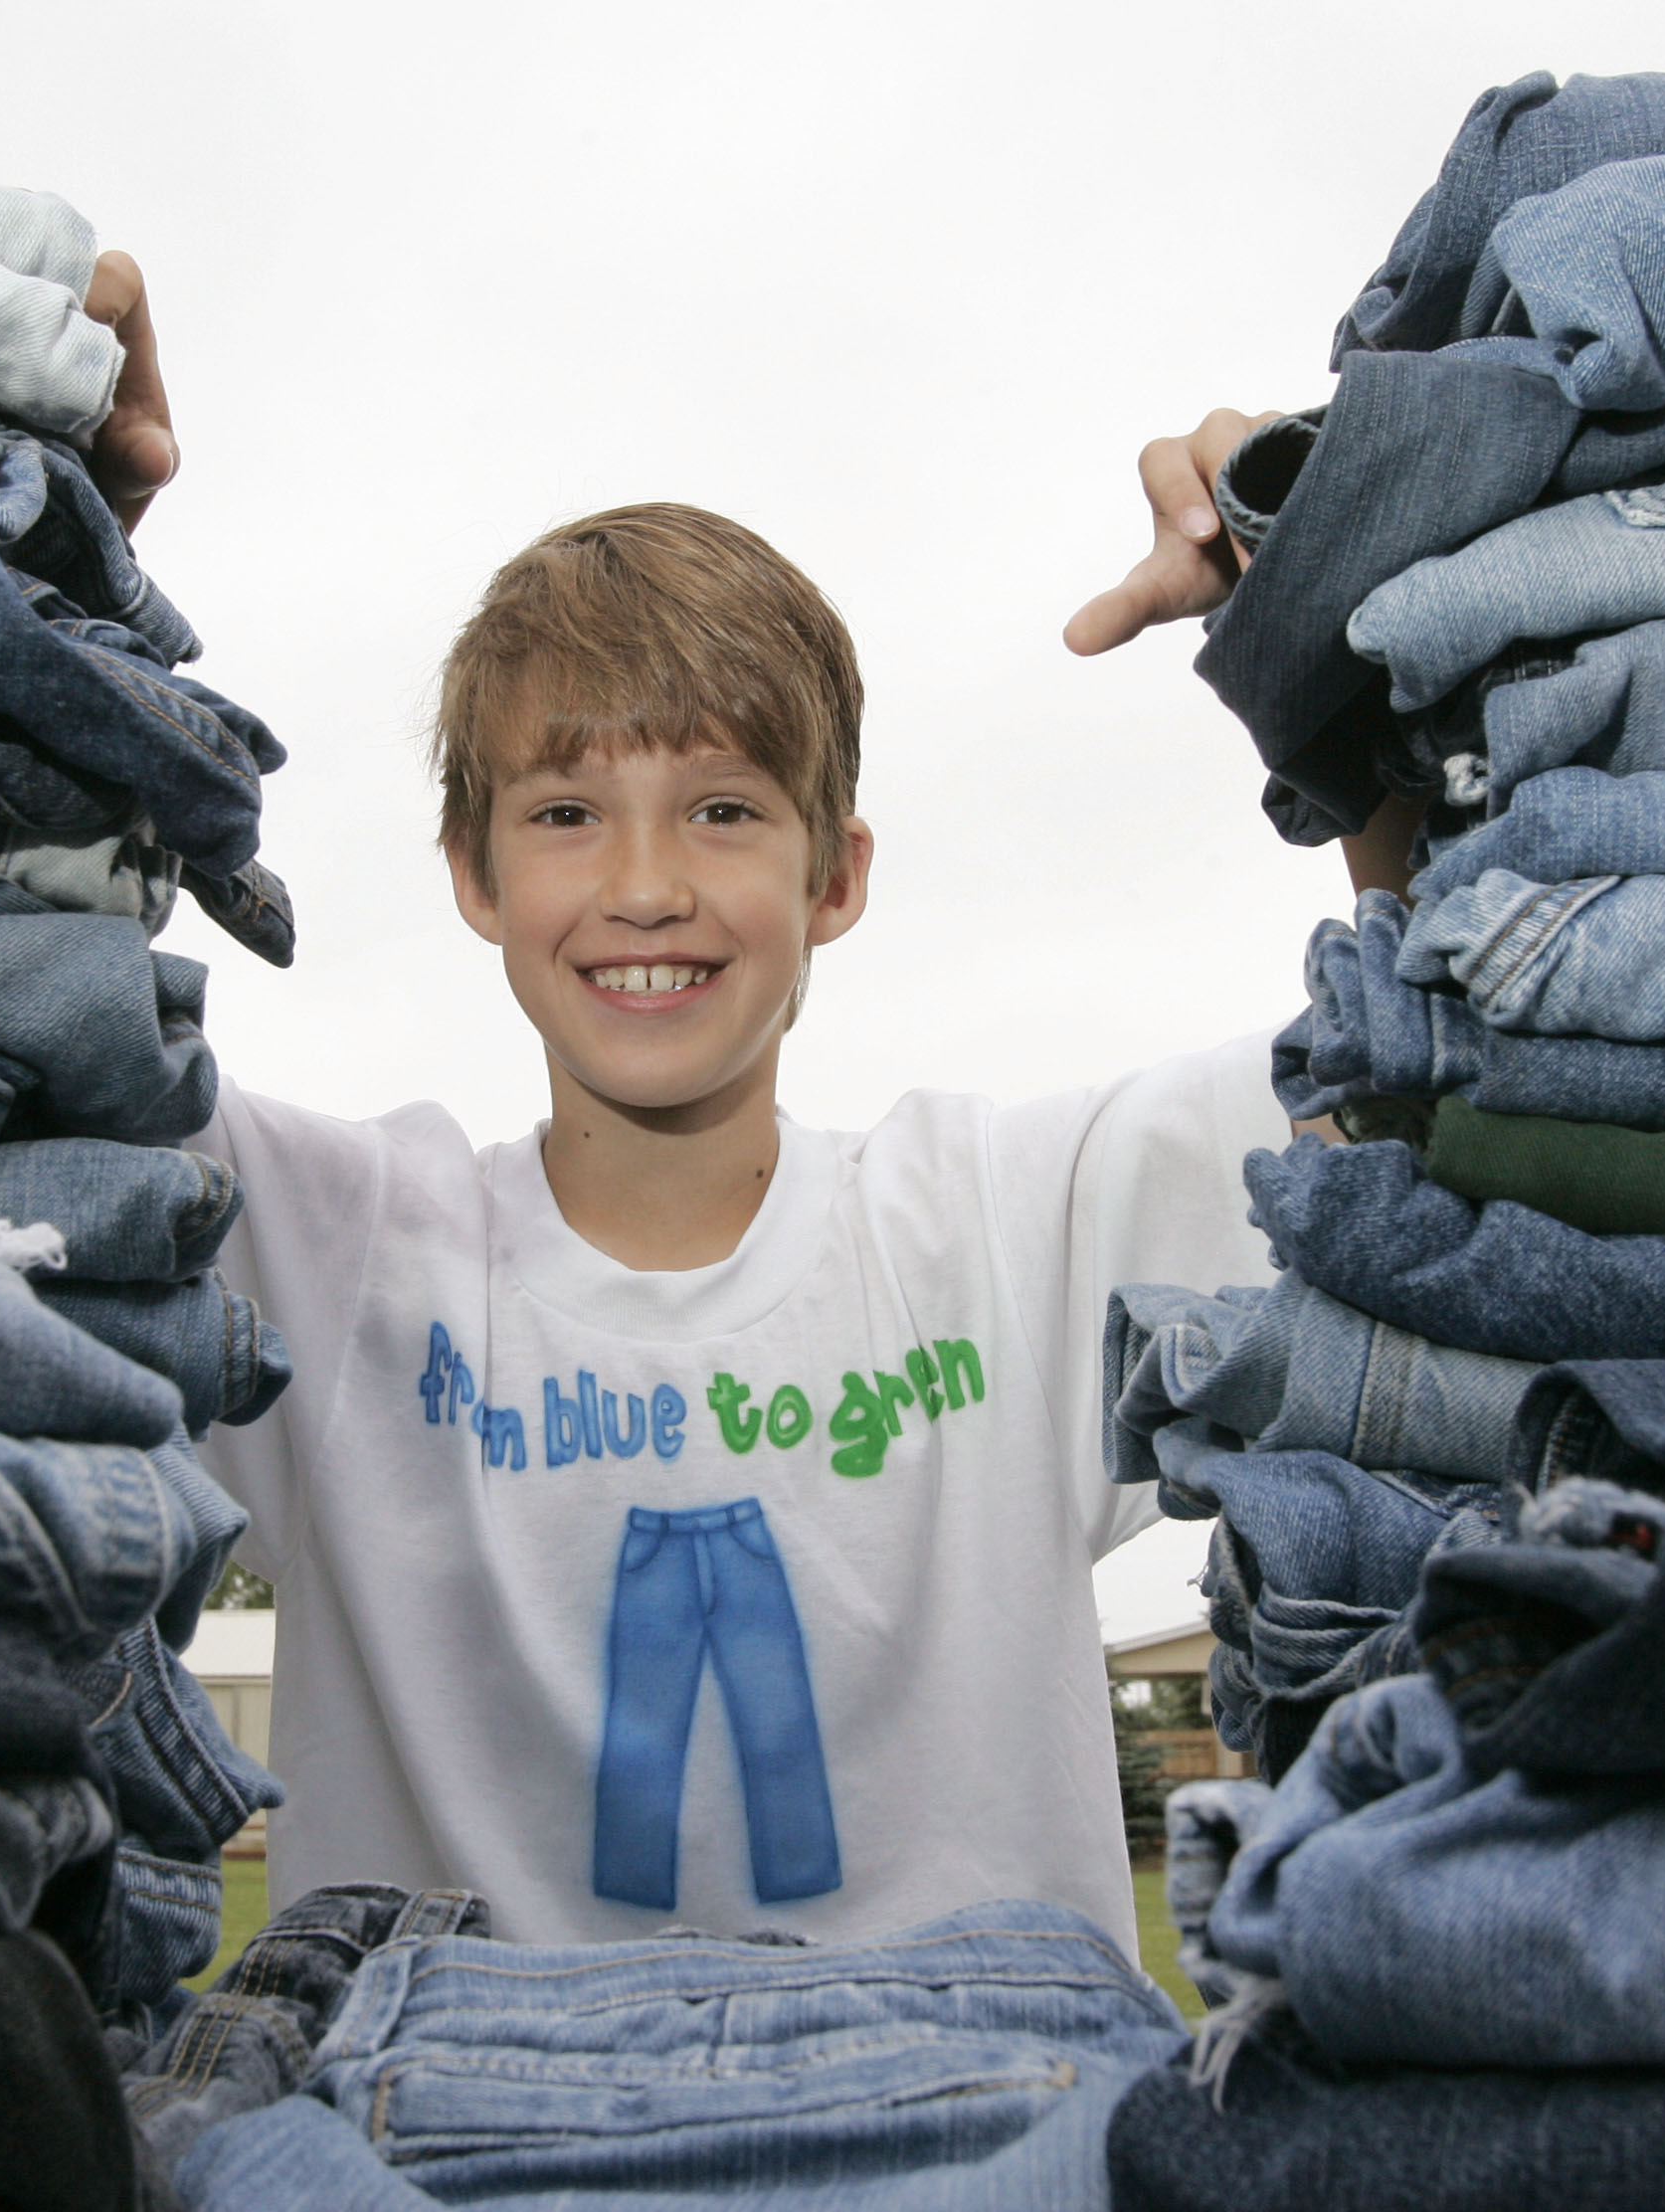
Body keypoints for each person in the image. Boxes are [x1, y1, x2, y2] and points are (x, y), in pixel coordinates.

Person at [88, 261, 1418, 1948]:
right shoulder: (338, 1250)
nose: (644, 885)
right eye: (565, 813)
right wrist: (65, 573)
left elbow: (1437, 1057)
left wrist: (1325, 638)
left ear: (834, 877)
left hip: (971, 2097)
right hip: (450, 2105)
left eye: (722, 809)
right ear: (471, 874)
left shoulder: (1012, 1225)